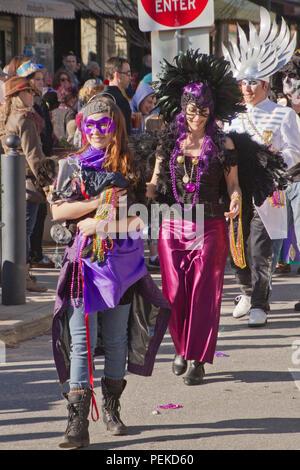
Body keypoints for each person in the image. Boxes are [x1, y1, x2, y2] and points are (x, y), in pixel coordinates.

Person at [49, 96, 170, 449]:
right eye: (91, 124)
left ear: (115, 124)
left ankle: (113, 410)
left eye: (105, 124)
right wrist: (93, 210)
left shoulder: (132, 164)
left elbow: (144, 216)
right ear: (82, 127)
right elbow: (59, 212)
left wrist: (105, 227)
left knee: (117, 339)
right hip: (82, 266)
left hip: (122, 266)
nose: (98, 131)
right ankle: (76, 423)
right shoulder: (70, 164)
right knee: (82, 342)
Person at [146, 51, 245, 386]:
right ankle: (180, 347)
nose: (197, 117)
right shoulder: (168, 141)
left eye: (203, 111)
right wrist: (126, 195)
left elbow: (233, 185)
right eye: (192, 110)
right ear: (182, 108)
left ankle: (198, 359)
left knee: (205, 292)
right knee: (173, 294)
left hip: (211, 225)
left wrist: (235, 200)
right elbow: (154, 184)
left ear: (211, 110)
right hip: (172, 225)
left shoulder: (223, 143)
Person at [223, 7, 300, 326]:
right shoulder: (233, 118)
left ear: (266, 85)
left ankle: (260, 302)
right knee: (235, 247)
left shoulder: (284, 115)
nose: (247, 88)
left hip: (267, 193)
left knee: (259, 247)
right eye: (243, 82)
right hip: (235, 191)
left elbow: (295, 152)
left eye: (253, 82)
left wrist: (273, 162)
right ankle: (244, 291)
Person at [0, 76, 56, 292]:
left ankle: (17, 277)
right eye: (29, 91)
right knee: (25, 231)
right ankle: (23, 278)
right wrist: (48, 185)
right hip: (29, 184)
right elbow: (35, 158)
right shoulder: (25, 120)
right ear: (18, 95)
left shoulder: (6, 118)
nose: (33, 95)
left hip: (11, 182)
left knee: (15, 231)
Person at [16, 60, 55, 268]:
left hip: (39, 163)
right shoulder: (27, 111)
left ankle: (31, 258)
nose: (40, 83)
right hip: (32, 170)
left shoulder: (39, 101)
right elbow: (33, 148)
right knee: (30, 221)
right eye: (37, 80)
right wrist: (44, 176)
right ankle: (31, 259)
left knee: (34, 218)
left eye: (42, 79)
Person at [103, 56, 132, 135]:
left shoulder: (99, 97)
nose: (130, 77)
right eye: (128, 73)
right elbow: (125, 134)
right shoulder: (120, 101)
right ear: (117, 75)